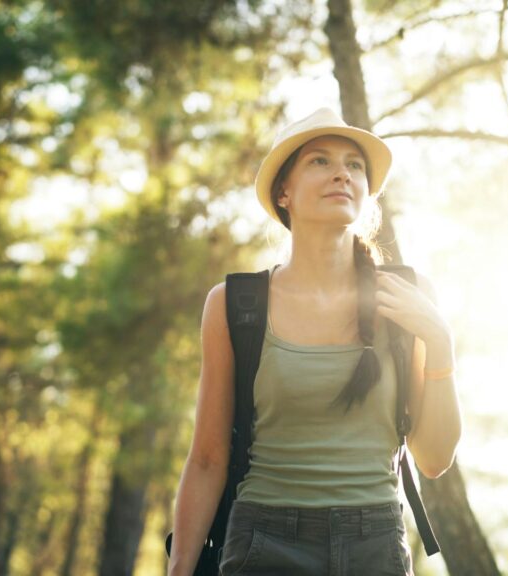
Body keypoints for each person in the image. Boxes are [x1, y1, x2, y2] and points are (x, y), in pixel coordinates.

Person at [167, 107, 462, 576]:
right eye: (320, 161)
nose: (342, 173)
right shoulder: (235, 304)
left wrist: (441, 343)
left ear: (366, 192)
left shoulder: (411, 299)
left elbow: (434, 459)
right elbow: (207, 458)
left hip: (376, 546)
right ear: (284, 191)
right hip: (263, 544)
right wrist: (180, 568)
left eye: (355, 165)